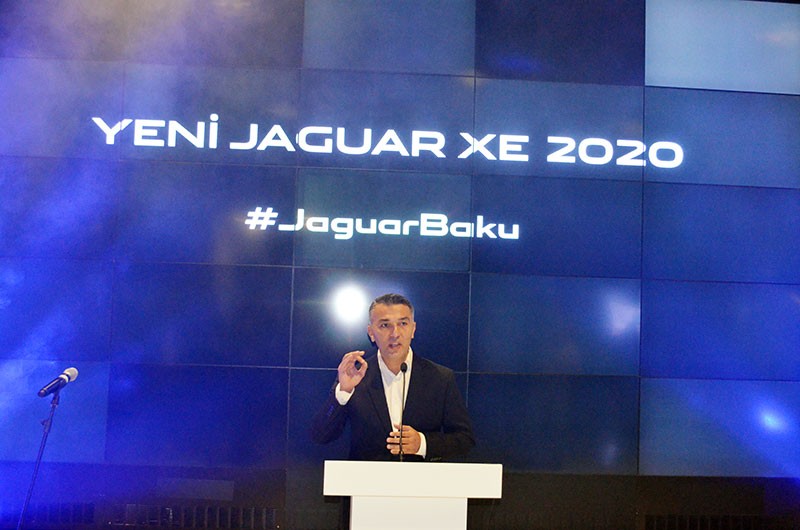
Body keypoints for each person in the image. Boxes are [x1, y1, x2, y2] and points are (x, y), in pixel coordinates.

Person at [311, 293, 475, 461]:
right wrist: (343, 392)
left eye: (403, 323)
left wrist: (422, 444)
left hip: (420, 477)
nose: (395, 333)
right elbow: (320, 435)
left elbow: (464, 440)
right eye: (385, 325)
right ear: (371, 333)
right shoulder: (355, 376)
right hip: (367, 477)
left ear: (413, 329)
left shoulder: (440, 378)